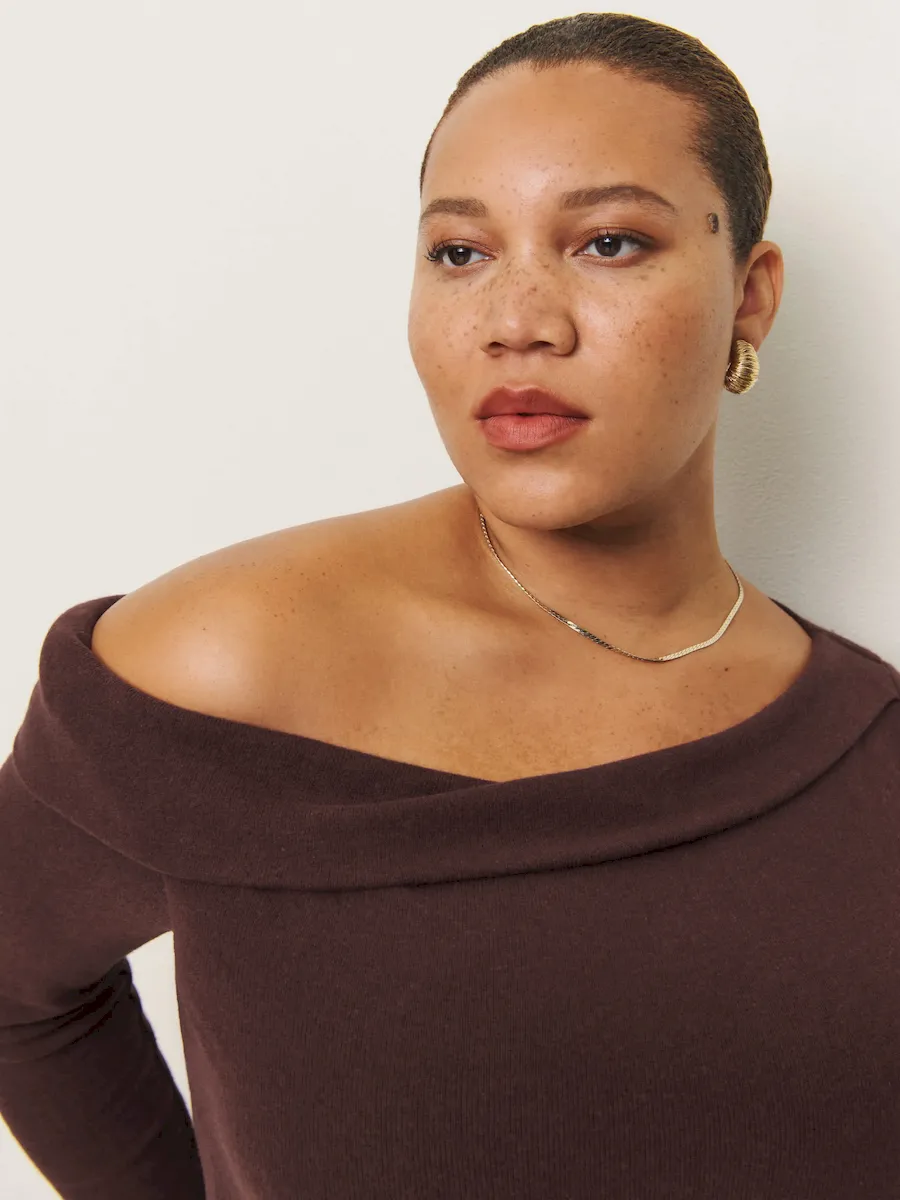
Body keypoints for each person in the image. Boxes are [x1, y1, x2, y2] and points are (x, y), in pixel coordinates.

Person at [1, 12, 899, 1199]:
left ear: (751, 294)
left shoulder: (871, 757)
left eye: (611, 243)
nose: (517, 321)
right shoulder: (232, 664)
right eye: (461, 253)